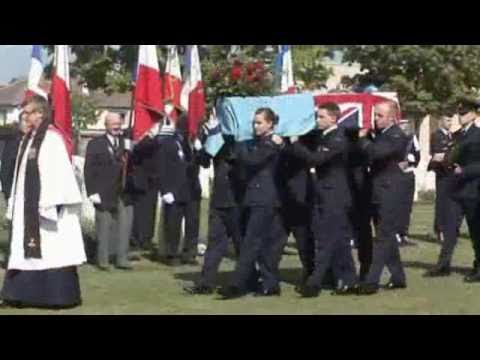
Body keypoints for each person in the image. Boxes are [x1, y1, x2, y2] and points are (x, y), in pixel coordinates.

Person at [0, 95, 86, 309]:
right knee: (25, 251)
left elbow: (58, 175)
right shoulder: (28, 139)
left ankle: (56, 297)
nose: (24, 117)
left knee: (51, 252)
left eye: (27, 113)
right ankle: (19, 295)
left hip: (47, 208)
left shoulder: (51, 139)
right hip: (27, 209)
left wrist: (49, 203)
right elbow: (21, 177)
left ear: (40, 113)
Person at [289, 103, 357, 298]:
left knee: (327, 240)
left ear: (333, 118)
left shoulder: (338, 138)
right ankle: (349, 280)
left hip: (335, 195)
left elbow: (317, 159)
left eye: (321, 117)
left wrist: (295, 144)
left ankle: (314, 282)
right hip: (324, 194)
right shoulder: (324, 136)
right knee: (340, 241)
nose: (317, 120)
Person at [218, 108, 285, 299]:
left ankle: (237, 284)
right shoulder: (262, 142)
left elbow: (252, 161)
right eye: (254, 122)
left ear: (270, 123)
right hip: (257, 198)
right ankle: (270, 284)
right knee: (264, 244)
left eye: (259, 122)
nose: (255, 126)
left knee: (251, 242)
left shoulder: (272, 143)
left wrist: (240, 146)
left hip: (264, 198)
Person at [184, 112, 246, 295]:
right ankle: (206, 283)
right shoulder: (215, 135)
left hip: (237, 198)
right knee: (215, 244)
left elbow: (237, 156)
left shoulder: (237, 136)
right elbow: (204, 161)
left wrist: (220, 134)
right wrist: (203, 142)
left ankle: (247, 279)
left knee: (241, 244)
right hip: (220, 198)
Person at [357, 101, 410, 295]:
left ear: (391, 117)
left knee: (382, 237)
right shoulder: (381, 134)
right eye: (375, 115)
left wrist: (363, 140)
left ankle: (371, 281)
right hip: (378, 190)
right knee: (385, 236)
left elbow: (375, 152)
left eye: (379, 115)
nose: (375, 119)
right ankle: (398, 277)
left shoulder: (396, 135)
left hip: (390, 191)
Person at [84, 112, 135, 271]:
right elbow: (89, 169)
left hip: (123, 190)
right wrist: (92, 192)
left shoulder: (125, 142)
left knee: (125, 225)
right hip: (103, 191)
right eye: (113, 123)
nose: (116, 126)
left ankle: (122, 258)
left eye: (118, 123)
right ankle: (103, 260)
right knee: (104, 226)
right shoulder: (95, 143)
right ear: (106, 125)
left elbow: (132, 165)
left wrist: (131, 151)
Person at [155, 113, 202, 266]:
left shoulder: (194, 144)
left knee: (192, 224)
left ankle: (190, 253)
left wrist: (200, 151)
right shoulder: (168, 143)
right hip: (174, 190)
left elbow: (201, 164)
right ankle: (172, 254)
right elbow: (161, 167)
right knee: (173, 224)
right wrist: (165, 190)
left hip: (192, 190)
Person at [424, 114, 464, 277]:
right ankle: (443, 264)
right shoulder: (439, 135)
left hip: (460, 180)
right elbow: (438, 156)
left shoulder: (457, 136)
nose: (451, 122)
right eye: (447, 120)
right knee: (445, 209)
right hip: (444, 175)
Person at [449, 100, 480, 283]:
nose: (460, 116)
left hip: (474, 188)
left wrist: (464, 170)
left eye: (464, 113)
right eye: (459, 113)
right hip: (460, 188)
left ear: (475, 114)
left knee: (477, 231)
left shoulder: (477, 135)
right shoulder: (459, 135)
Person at [396, 119, 421, 247]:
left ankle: (403, 234)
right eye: (401, 124)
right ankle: (395, 235)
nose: (404, 127)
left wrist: (410, 162)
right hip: (395, 175)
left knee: (407, 206)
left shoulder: (412, 138)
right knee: (396, 205)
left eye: (406, 125)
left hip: (408, 174)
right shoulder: (392, 138)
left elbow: (418, 156)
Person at [0, 114, 28, 202]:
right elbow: (6, 168)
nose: (28, 123)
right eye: (24, 120)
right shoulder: (13, 139)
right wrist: (7, 192)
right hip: (13, 188)